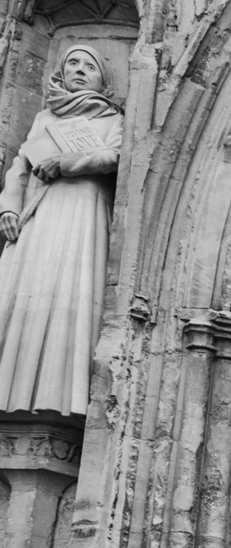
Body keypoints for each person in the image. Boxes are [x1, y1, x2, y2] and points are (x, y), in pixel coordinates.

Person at [0, 44, 125, 416]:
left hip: (81, 212)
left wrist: (66, 163)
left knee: (71, 296)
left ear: (103, 79)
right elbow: (19, 167)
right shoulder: (45, 118)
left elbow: (114, 157)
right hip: (41, 214)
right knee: (27, 291)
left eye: (90, 65)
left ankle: (58, 401)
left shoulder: (112, 119)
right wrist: (9, 205)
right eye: (72, 63)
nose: (79, 69)